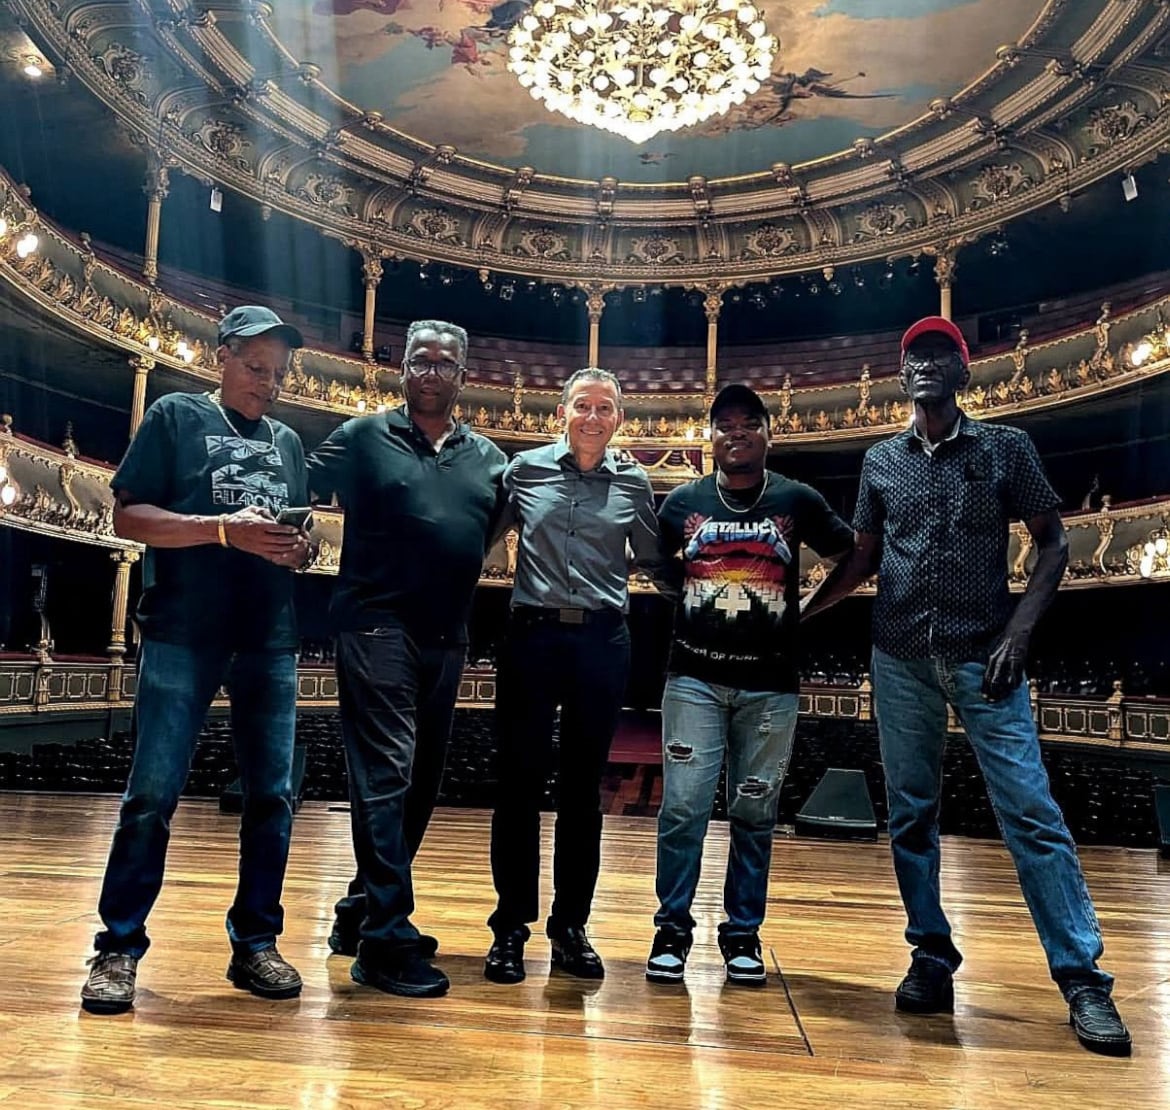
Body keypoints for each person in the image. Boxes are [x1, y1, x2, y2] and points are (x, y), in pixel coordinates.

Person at [804, 316, 1131, 1055]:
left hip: (987, 659)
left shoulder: (1007, 448)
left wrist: (1020, 631)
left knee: (1031, 814)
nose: (922, 365)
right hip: (899, 660)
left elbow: (1056, 544)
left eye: (937, 355)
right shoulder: (881, 460)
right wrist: (802, 614)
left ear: (963, 373)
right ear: (902, 377)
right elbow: (862, 559)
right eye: (912, 356)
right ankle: (930, 956)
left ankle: (1082, 979)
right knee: (912, 818)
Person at [81, 306, 312, 1014]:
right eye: (254, 368)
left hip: (268, 637)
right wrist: (220, 530)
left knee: (273, 797)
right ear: (223, 356)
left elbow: (288, 534)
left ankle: (256, 944)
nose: (266, 385)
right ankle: (117, 947)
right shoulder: (176, 417)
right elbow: (127, 517)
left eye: (276, 375)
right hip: (183, 632)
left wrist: (296, 550)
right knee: (151, 795)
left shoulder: (289, 443)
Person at [307, 320, 506, 999]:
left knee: (420, 781)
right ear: (403, 369)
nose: (431, 371)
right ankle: (386, 941)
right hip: (375, 625)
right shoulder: (363, 437)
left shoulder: (489, 459)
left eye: (445, 362)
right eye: (420, 359)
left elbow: (492, 526)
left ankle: (359, 908)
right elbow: (298, 483)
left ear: (462, 375)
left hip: (447, 634)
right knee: (387, 774)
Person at [647, 384, 853, 987]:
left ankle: (742, 935)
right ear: (708, 437)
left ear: (768, 433)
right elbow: (656, 561)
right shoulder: (682, 501)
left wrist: (809, 607)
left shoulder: (797, 499)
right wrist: (682, 597)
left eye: (747, 423)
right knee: (683, 808)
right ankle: (672, 931)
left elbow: (856, 551)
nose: (734, 432)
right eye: (723, 424)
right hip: (693, 680)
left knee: (755, 811)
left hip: (770, 685)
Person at [484, 367, 668, 985]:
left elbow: (654, 561)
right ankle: (510, 927)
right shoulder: (523, 471)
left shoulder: (635, 483)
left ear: (619, 420)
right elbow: (476, 538)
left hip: (601, 640)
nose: (593, 417)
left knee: (583, 790)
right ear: (561, 412)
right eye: (582, 405)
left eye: (605, 408)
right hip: (531, 635)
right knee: (518, 786)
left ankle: (570, 928)